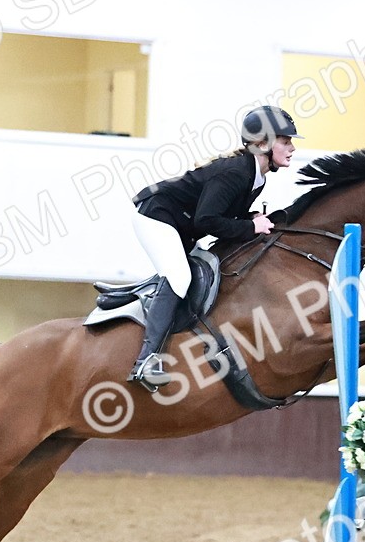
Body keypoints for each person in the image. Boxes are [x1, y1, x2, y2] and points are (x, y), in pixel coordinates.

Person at [125, 105, 301, 391]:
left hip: (179, 223)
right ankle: (147, 360)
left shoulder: (256, 176)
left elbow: (221, 214)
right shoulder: (236, 172)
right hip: (155, 217)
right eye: (285, 140)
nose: (292, 148)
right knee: (180, 277)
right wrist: (249, 227)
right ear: (261, 144)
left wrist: (249, 219)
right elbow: (206, 220)